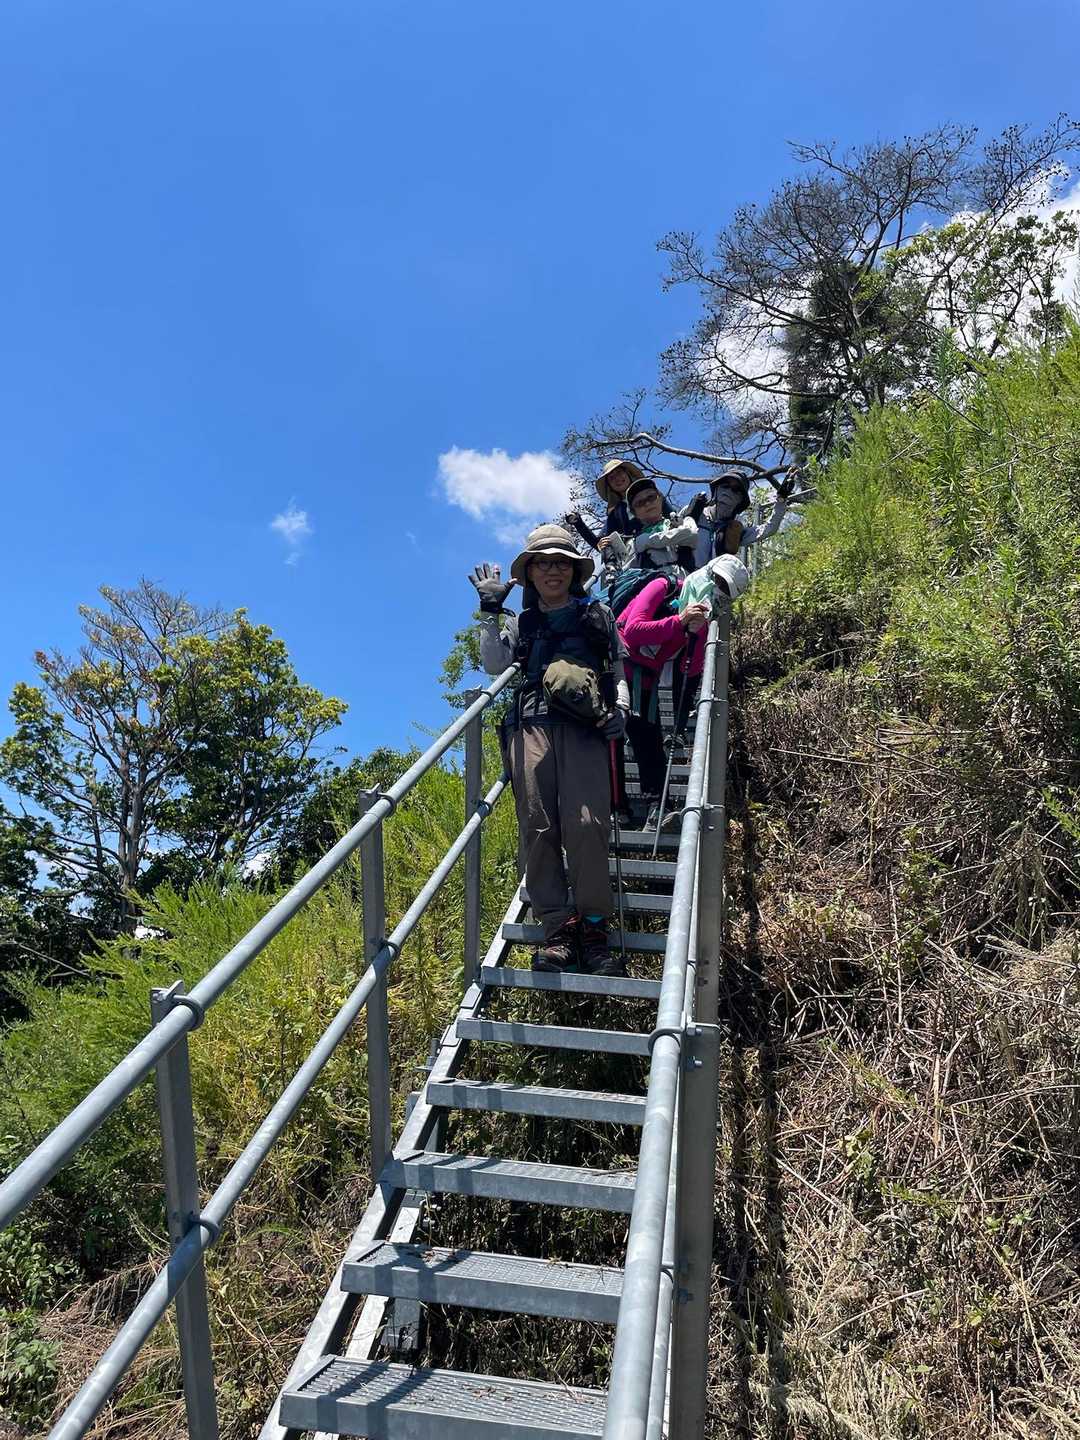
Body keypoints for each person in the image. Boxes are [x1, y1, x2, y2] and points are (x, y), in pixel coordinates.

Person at [469, 525, 630, 977]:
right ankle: (557, 926)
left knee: (588, 825)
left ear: (575, 571)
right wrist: (490, 612)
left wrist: (621, 708)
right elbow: (494, 664)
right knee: (538, 825)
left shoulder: (597, 614)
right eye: (543, 563)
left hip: (585, 728)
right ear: (531, 572)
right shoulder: (522, 622)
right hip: (531, 725)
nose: (552, 570)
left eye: (561, 562)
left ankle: (594, 929)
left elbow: (617, 669)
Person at [694, 470, 797, 567]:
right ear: (716, 490)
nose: (728, 492)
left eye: (736, 490)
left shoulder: (735, 532)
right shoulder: (695, 514)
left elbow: (769, 528)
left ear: (741, 501)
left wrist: (781, 499)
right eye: (725, 486)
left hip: (712, 579)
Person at [625, 477, 699, 570]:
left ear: (660, 498)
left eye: (651, 497)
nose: (647, 504)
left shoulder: (683, 521)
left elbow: (691, 534)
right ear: (634, 513)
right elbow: (627, 572)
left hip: (687, 577)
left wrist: (648, 540)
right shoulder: (633, 543)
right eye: (640, 503)